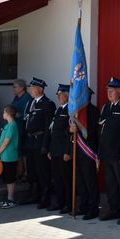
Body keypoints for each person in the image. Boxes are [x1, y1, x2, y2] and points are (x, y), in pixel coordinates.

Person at [98, 77, 120, 224]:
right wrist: (99, 153)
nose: (109, 94)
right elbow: (102, 132)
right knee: (111, 184)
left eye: (112, 91)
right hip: (106, 153)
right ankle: (113, 210)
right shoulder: (106, 107)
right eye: (108, 91)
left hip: (118, 154)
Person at [21, 77, 56, 208]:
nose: (30, 89)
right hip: (30, 141)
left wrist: (45, 145)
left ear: (40, 89)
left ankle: (45, 198)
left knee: (43, 171)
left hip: (40, 141)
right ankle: (34, 195)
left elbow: (48, 127)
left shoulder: (48, 104)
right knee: (32, 171)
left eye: (32, 87)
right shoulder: (31, 102)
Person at [70, 87, 100, 220]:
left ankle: (93, 208)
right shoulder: (76, 111)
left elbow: (96, 133)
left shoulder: (93, 111)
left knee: (90, 182)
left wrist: (97, 153)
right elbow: (69, 130)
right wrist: (71, 130)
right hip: (78, 150)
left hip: (89, 151)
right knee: (80, 182)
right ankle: (83, 206)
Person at [47, 84, 72, 214]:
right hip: (55, 150)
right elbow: (53, 132)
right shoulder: (58, 110)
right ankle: (59, 202)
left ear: (67, 95)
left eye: (61, 95)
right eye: (58, 95)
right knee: (57, 179)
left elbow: (69, 134)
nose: (58, 97)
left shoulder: (70, 110)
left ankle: (69, 204)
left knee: (66, 179)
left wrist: (68, 151)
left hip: (64, 151)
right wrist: (50, 149)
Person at [0, 105, 20, 208]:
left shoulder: (13, 125)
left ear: (8, 114)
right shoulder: (6, 126)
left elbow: (6, 142)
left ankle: (11, 199)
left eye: (4, 112)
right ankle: (8, 198)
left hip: (10, 156)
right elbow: (1, 141)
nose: (2, 114)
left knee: (10, 179)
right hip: (4, 157)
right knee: (6, 178)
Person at [11, 79, 30, 181]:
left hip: (24, 128)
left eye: (15, 87)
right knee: (18, 151)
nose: (13, 89)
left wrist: (20, 115)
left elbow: (29, 113)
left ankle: (26, 173)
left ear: (22, 88)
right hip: (15, 127)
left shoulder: (27, 98)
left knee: (24, 151)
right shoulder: (16, 98)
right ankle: (19, 172)